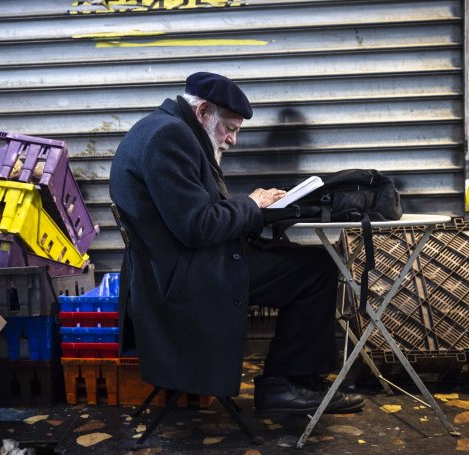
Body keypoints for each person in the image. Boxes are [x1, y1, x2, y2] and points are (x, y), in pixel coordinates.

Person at [109, 72, 364, 415]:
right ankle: (285, 387)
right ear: (202, 112)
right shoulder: (168, 136)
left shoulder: (168, 130)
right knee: (316, 269)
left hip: (181, 267)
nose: (231, 140)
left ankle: (297, 382)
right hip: (184, 280)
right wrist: (252, 204)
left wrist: (255, 207)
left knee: (306, 262)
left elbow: (194, 214)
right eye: (229, 128)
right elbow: (196, 226)